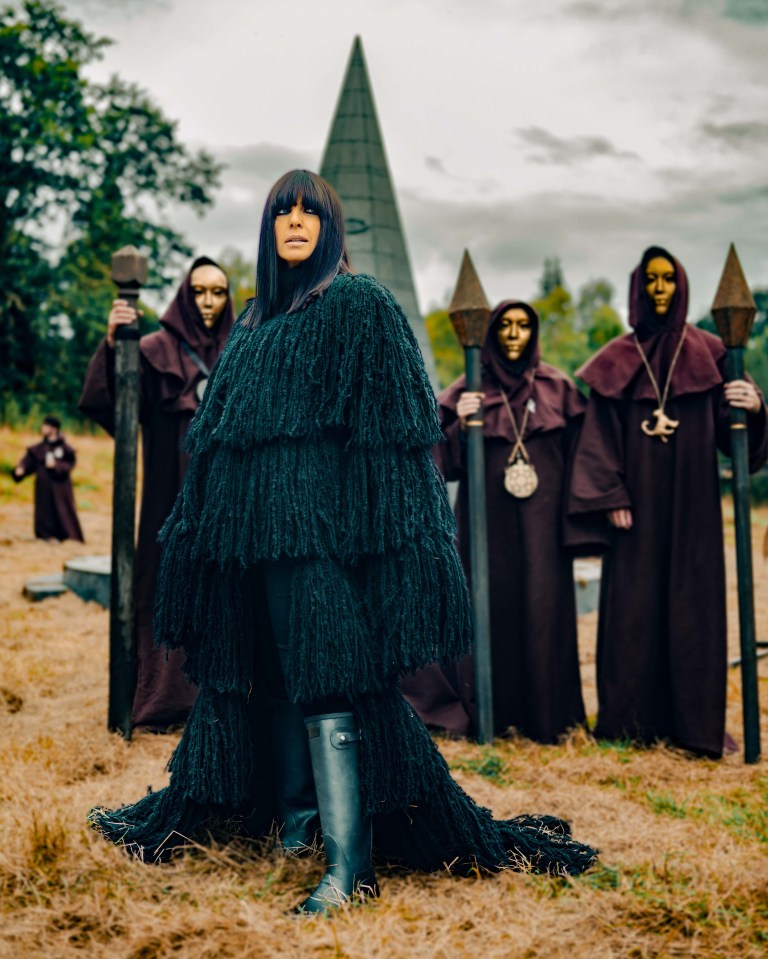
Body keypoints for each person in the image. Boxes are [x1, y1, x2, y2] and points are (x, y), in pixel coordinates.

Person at [89, 170, 597, 913]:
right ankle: (297, 826)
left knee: (329, 682)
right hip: (250, 544)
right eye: (282, 212)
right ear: (268, 231)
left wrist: (374, 547)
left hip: (320, 542)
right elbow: (222, 437)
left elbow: (392, 440)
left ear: (330, 226)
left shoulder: (359, 306)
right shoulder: (257, 319)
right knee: (266, 673)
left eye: (310, 211)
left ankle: (350, 866)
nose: (295, 221)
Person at [569, 246, 767, 758]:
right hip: (635, 507)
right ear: (638, 288)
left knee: (692, 609)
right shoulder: (618, 357)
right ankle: (630, 722)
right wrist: (611, 493)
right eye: (651, 280)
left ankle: (693, 728)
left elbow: (734, 436)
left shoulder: (711, 354)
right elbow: (597, 437)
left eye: (667, 280)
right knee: (632, 612)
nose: (660, 289)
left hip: (694, 506)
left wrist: (754, 405)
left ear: (680, 286)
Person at [402, 301, 592, 742]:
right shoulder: (468, 390)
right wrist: (458, 424)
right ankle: (493, 715)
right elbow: (436, 462)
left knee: (544, 610)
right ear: (490, 334)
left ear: (534, 332)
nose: (513, 333)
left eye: (523, 325)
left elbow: (585, 454)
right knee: (489, 609)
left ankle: (547, 720)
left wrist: (577, 518)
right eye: (504, 325)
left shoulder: (558, 388)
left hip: (543, 525)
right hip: (486, 524)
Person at [79, 257, 235, 729]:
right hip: (170, 496)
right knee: (167, 583)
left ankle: (225, 697)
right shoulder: (153, 350)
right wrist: (112, 345)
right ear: (184, 296)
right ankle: (167, 698)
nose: (208, 302)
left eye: (219, 292)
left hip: (228, 499)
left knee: (227, 588)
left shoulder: (243, 350)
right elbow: (113, 405)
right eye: (200, 292)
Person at [13, 415, 85, 543]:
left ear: (53, 429)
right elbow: (28, 462)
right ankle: (46, 536)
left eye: (45, 426)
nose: (43, 428)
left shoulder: (65, 448)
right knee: (44, 512)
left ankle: (67, 536)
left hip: (60, 487)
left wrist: (56, 465)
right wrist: (21, 469)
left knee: (63, 511)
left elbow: (70, 464)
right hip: (43, 486)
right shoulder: (38, 448)